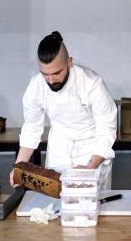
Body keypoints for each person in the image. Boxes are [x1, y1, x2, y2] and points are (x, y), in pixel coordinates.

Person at [10, 31, 118, 189]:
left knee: (91, 204)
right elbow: (32, 128)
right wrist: (18, 167)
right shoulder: (36, 86)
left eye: (56, 73)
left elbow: (107, 129)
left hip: (92, 148)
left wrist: (90, 167)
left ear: (69, 62)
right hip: (59, 148)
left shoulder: (92, 83)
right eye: (45, 74)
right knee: (56, 206)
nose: (51, 80)